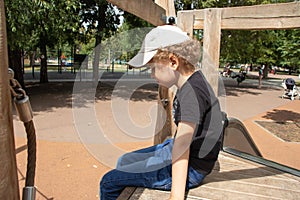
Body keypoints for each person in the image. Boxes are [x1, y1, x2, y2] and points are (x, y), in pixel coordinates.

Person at [100, 25, 224, 200]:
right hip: (179, 151)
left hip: (192, 169)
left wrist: (176, 195)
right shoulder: (193, 82)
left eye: (153, 68)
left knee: (108, 182)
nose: (151, 75)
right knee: (124, 160)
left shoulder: (191, 94)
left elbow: (182, 145)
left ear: (173, 62)